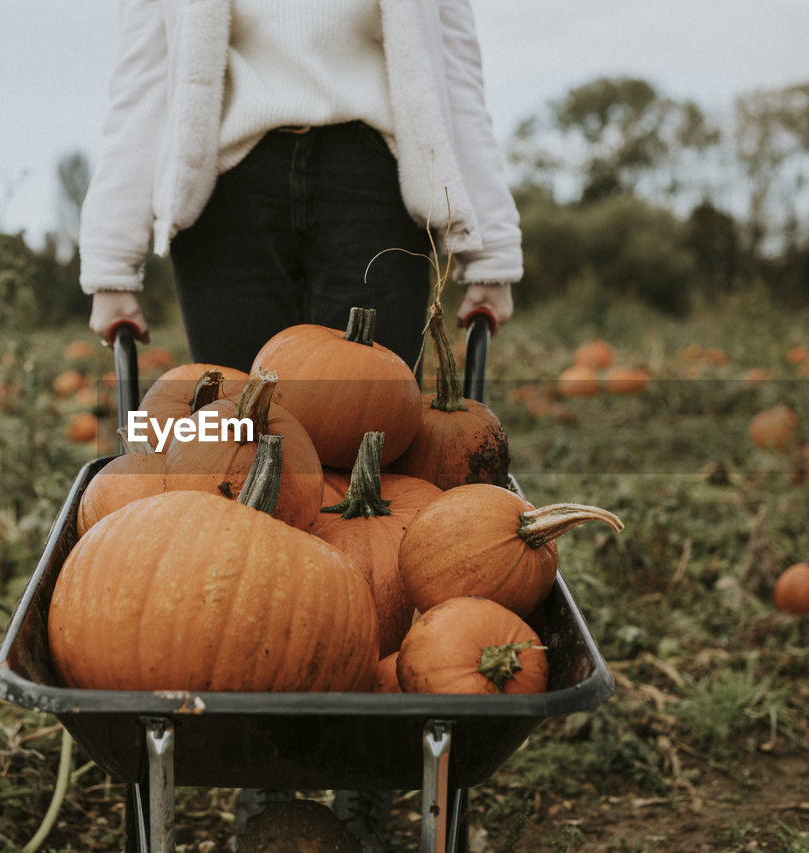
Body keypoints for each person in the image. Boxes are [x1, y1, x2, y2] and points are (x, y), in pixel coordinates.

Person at [77, 1, 523, 848]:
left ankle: (369, 754)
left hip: (377, 180)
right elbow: (143, 74)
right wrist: (112, 257)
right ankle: (265, 758)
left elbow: (455, 66)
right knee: (234, 476)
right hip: (224, 189)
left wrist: (490, 243)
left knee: (374, 483)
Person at [79, 0, 523, 373]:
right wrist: (111, 266)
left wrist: (492, 256)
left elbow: (457, 81)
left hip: (374, 185)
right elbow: (143, 84)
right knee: (239, 429)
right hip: (227, 191)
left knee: (374, 432)